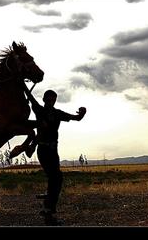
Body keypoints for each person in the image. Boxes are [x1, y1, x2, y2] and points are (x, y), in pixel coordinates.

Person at [23, 85, 87, 224]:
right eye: (49, 98)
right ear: (44, 99)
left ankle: (48, 205)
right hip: (44, 150)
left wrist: (82, 113)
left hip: (53, 151)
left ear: (55, 100)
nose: (51, 101)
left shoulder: (58, 113)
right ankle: (48, 210)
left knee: (56, 179)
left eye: (54, 99)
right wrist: (21, 81)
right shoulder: (39, 110)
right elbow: (29, 95)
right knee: (55, 177)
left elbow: (76, 118)